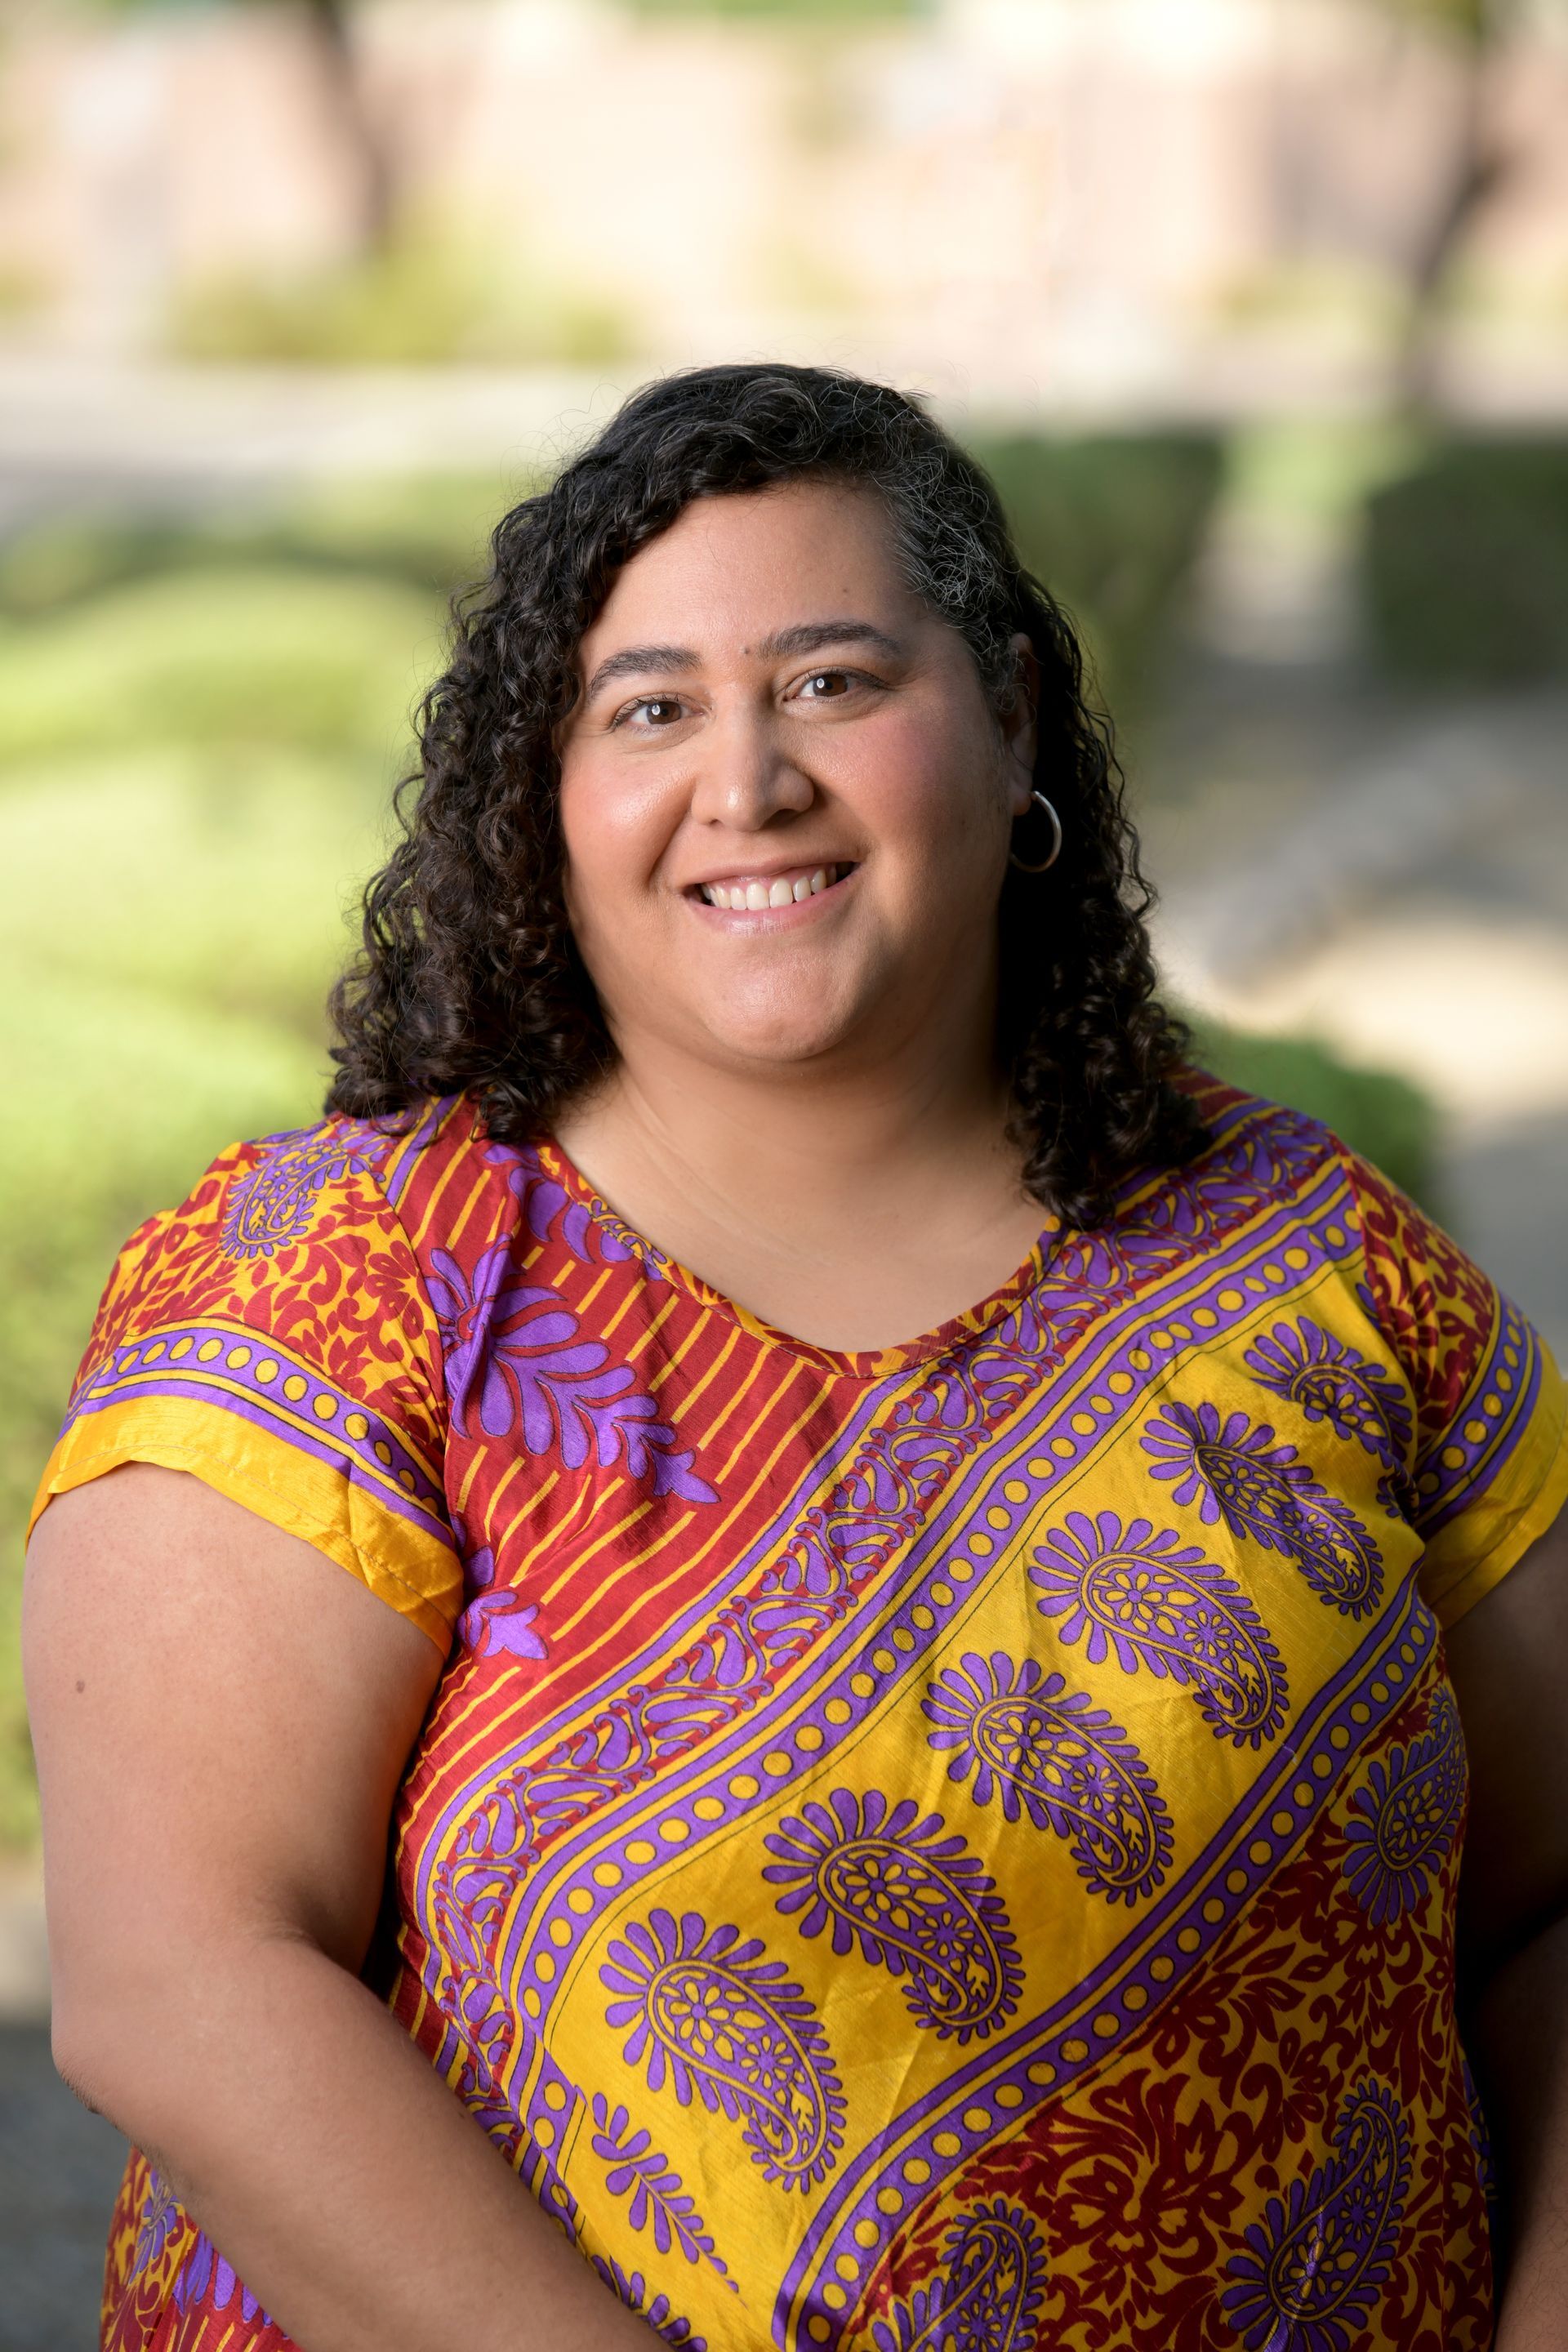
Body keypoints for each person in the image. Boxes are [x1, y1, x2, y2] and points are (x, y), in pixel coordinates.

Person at [23, 363, 1568, 2352]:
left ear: (1010, 716)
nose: (744, 782)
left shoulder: (1323, 1264)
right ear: (545, 799)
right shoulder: (349, 1284)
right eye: (648, 709)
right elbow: (182, 1989)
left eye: (833, 681)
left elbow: (1548, 1905)